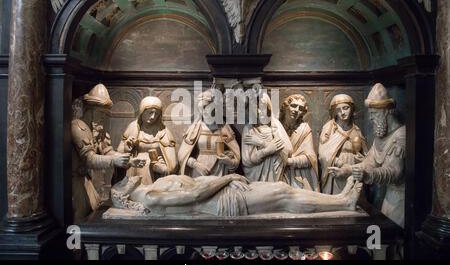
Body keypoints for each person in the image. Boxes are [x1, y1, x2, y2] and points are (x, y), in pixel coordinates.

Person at [329, 83, 405, 227]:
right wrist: (347, 170)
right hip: (389, 196)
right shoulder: (381, 137)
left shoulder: (401, 136)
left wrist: (367, 174)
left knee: (395, 235)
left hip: (402, 199)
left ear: (387, 111)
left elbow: (395, 172)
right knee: (385, 235)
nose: (370, 118)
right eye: (370, 113)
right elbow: (369, 163)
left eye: (374, 113)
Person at [111, 174, 362, 217]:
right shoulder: (152, 198)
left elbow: (196, 186)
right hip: (222, 201)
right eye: (122, 183)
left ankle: (339, 198)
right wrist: (228, 177)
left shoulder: (153, 186)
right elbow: (196, 194)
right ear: (126, 197)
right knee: (283, 195)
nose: (125, 178)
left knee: (281, 187)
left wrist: (224, 180)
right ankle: (343, 202)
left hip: (222, 190)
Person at [71, 84, 143, 223]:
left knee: (93, 211)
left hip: (88, 180)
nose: (104, 118)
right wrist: (114, 161)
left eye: (105, 114)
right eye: (101, 114)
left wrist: (128, 161)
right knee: (80, 215)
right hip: (76, 182)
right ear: (90, 111)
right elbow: (89, 159)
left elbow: (108, 152)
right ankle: (76, 243)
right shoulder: (78, 127)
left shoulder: (98, 130)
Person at [178, 90, 241, 177]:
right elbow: (182, 155)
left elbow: (235, 156)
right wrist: (195, 165)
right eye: (200, 109)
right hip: (199, 172)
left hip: (220, 172)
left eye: (206, 107)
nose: (203, 111)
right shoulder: (195, 129)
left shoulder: (224, 129)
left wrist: (229, 161)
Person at [118, 96, 178, 185]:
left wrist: (164, 168)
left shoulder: (164, 132)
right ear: (142, 112)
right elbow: (119, 153)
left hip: (156, 171)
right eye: (150, 112)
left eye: (156, 113)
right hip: (135, 168)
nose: (153, 116)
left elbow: (172, 161)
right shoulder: (133, 127)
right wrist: (127, 148)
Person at [319, 94, 367, 194]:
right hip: (335, 169)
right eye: (338, 110)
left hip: (352, 170)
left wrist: (361, 159)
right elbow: (323, 154)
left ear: (352, 109)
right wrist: (340, 164)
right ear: (334, 112)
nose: (342, 112)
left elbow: (366, 155)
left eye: (346, 108)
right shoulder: (329, 128)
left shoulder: (356, 130)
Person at [242, 93, 292, 182]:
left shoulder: (275, 125)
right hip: (255, 177)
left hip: (275, 175)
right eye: (255, 108)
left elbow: (287, 151)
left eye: (262, 107)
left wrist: (262, 143)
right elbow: (247, 160)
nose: (258, 111)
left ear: (268, 107)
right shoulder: (249, 129)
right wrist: (266, 151)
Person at [280, 94, 319, 191]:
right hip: (278, 174)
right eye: (293, 106)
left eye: (300, 108)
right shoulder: (276, 127)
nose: (296, 110)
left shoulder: (304, 129)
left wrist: (289, 161)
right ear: (285, 107)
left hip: (298, 175)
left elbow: (310, 158)